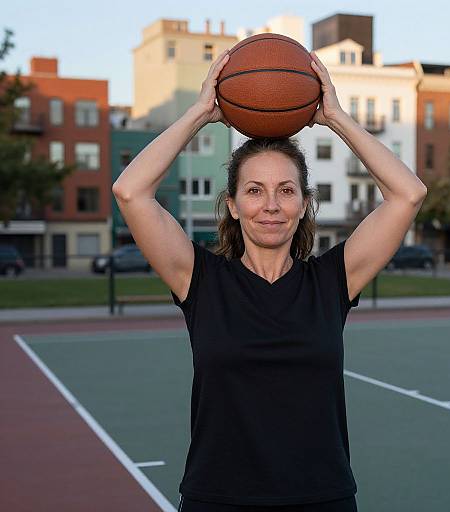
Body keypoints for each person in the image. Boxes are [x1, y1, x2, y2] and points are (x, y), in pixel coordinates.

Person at [113, 49, 428, 512]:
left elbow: (409, 193)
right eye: (255, 191)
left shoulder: (331, 281)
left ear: (303, 203)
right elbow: (130, 190)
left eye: (286, 190)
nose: (272, 205)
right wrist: (201, 112)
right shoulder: (200, 280)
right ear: (234, 204)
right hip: (218, 498)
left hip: (321, 498)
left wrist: (336, 118)